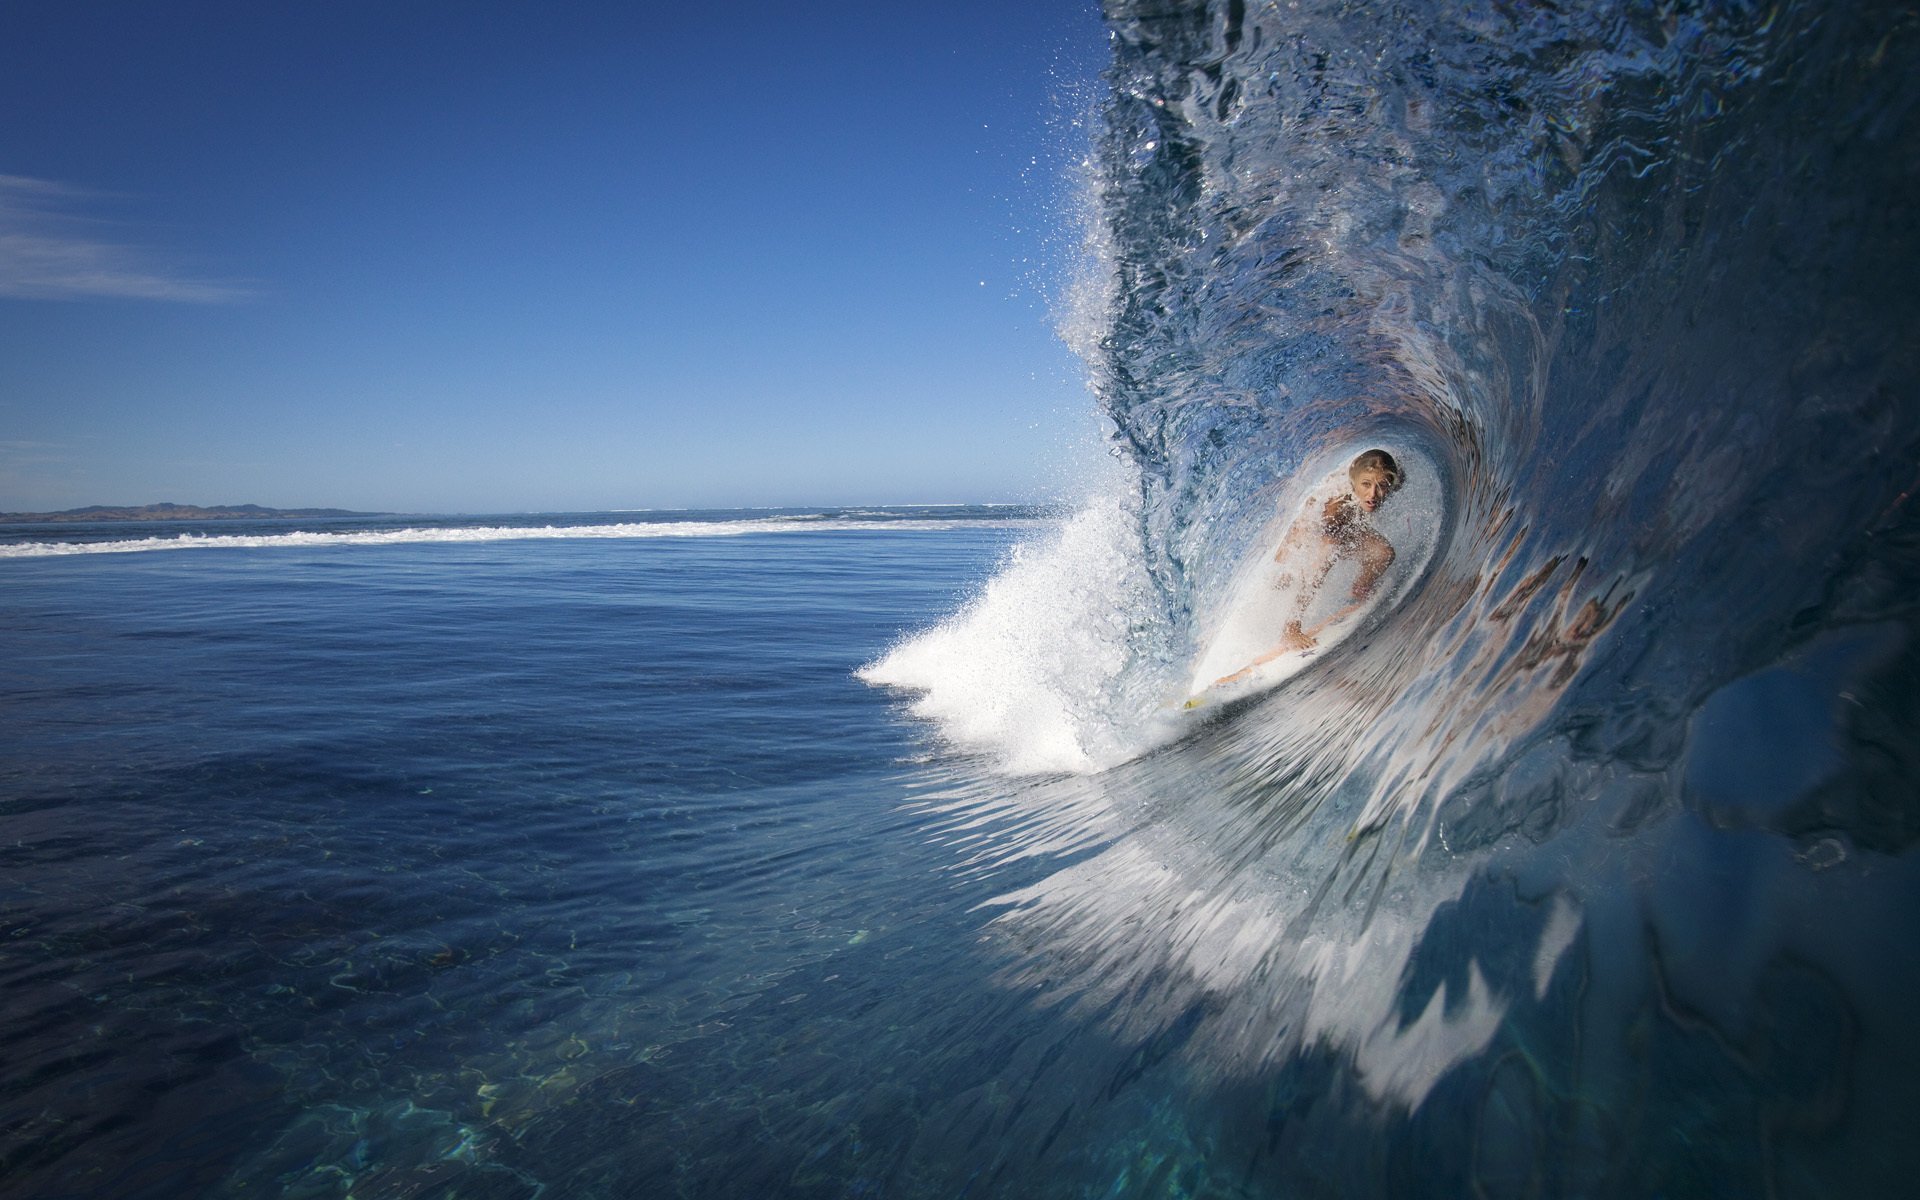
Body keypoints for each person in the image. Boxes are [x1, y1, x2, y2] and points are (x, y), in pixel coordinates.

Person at [1214, 448, 1402, 686]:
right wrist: (1287, 567)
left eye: (1382, 486)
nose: (1373, 494)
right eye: (1366, 485)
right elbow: (1314, 543)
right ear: (1354, 482)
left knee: (1384, 553)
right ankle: (1290, 628)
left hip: (1342, 529)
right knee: (1304, 568)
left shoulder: (1390, 480)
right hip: (1304, 535)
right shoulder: (1334, 505)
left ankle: (1360, 589)